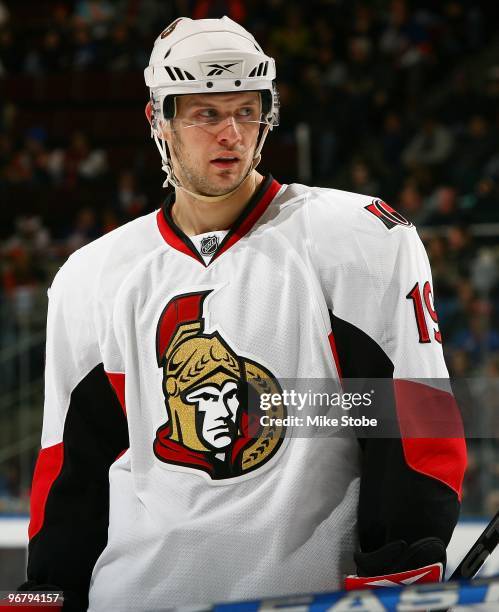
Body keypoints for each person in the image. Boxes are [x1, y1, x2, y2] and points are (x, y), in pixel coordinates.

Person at [20, 16, 466, 611]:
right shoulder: (91, 276)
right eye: (206, 113)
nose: (231, 133)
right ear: (159, 120)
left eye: (246, 110)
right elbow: (69, 473)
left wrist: (402, 578)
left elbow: (413, 423)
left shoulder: (360, 240)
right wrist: (46, 600)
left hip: (304, 600)